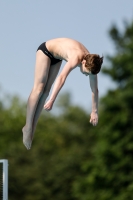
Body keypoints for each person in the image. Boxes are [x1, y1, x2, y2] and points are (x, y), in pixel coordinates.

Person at [22, 38, 103, 150]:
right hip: (46, 51)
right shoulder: (76, 57)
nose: (86, 74)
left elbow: (95, 90)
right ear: (83, 62)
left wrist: (94, 111)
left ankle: (33, 128)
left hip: (56, 57)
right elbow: (62, 77)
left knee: (46, 92)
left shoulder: (92, 63)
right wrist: (52, 100)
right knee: (39, 88)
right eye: (86, 72)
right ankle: (28, 127)